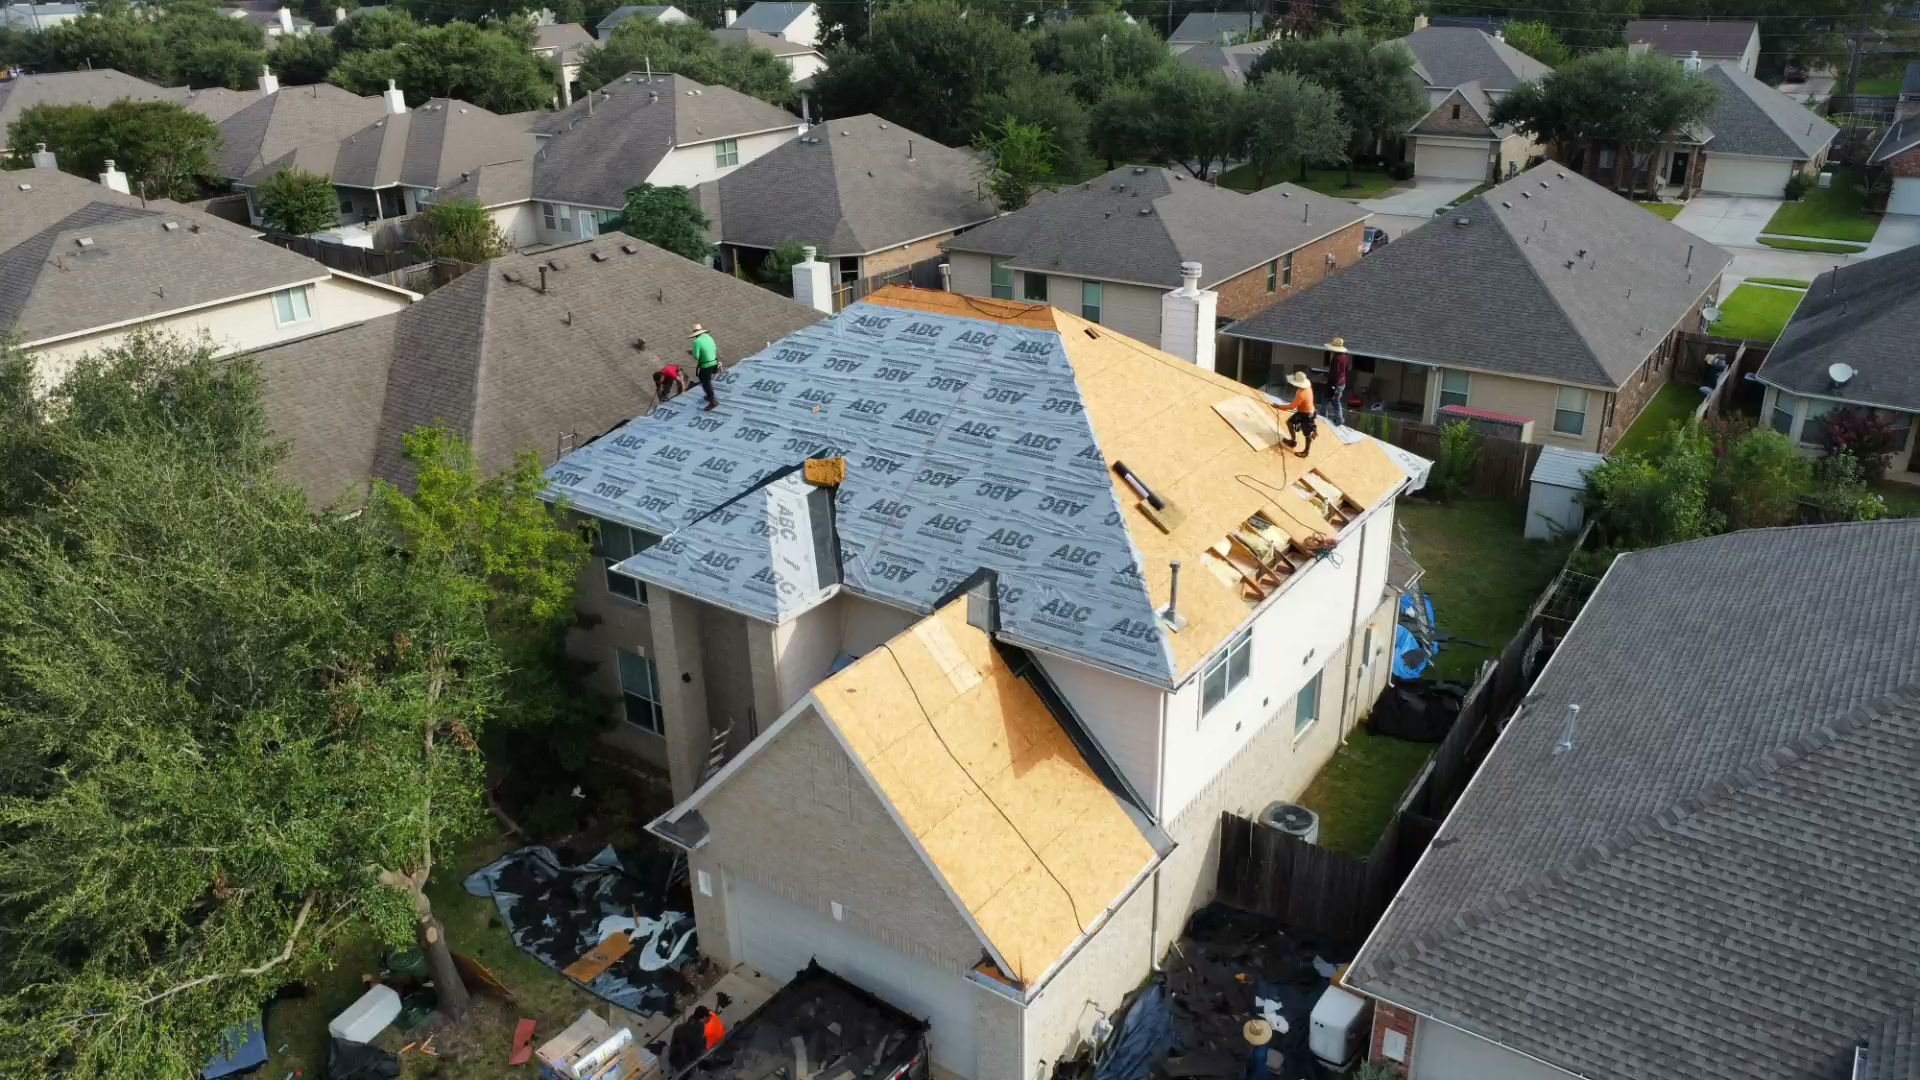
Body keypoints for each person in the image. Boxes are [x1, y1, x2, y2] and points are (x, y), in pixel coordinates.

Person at [1273, 370, 1316, 457]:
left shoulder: (1301, 393)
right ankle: (1293, 441)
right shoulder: (1307, 387)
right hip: (1303, 412)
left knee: (1307, 434)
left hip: (1307, 415)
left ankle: (1306, 452)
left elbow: (1292, 406)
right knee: (1290, 422)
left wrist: (1279, 406)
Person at [689, 324, 720, 410]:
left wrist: (695, 353)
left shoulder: (696, 341)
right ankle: (709, 395)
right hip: (714, 362)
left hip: (706, 365)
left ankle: (712, 400)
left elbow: (696, 356)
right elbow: (714, 348)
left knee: (705, 381)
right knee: (705, 379)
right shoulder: (709, 337)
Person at [1323, 336, 1351, 427]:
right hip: (1342, 383)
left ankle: (1324, 418)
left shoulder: (1336, 358)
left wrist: (1332, 386)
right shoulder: (1345, 357)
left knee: (1327, 399)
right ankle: (1339, 419)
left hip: (1334, 383)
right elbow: (1346, 371)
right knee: (1336, 400)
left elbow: (1335, 373)